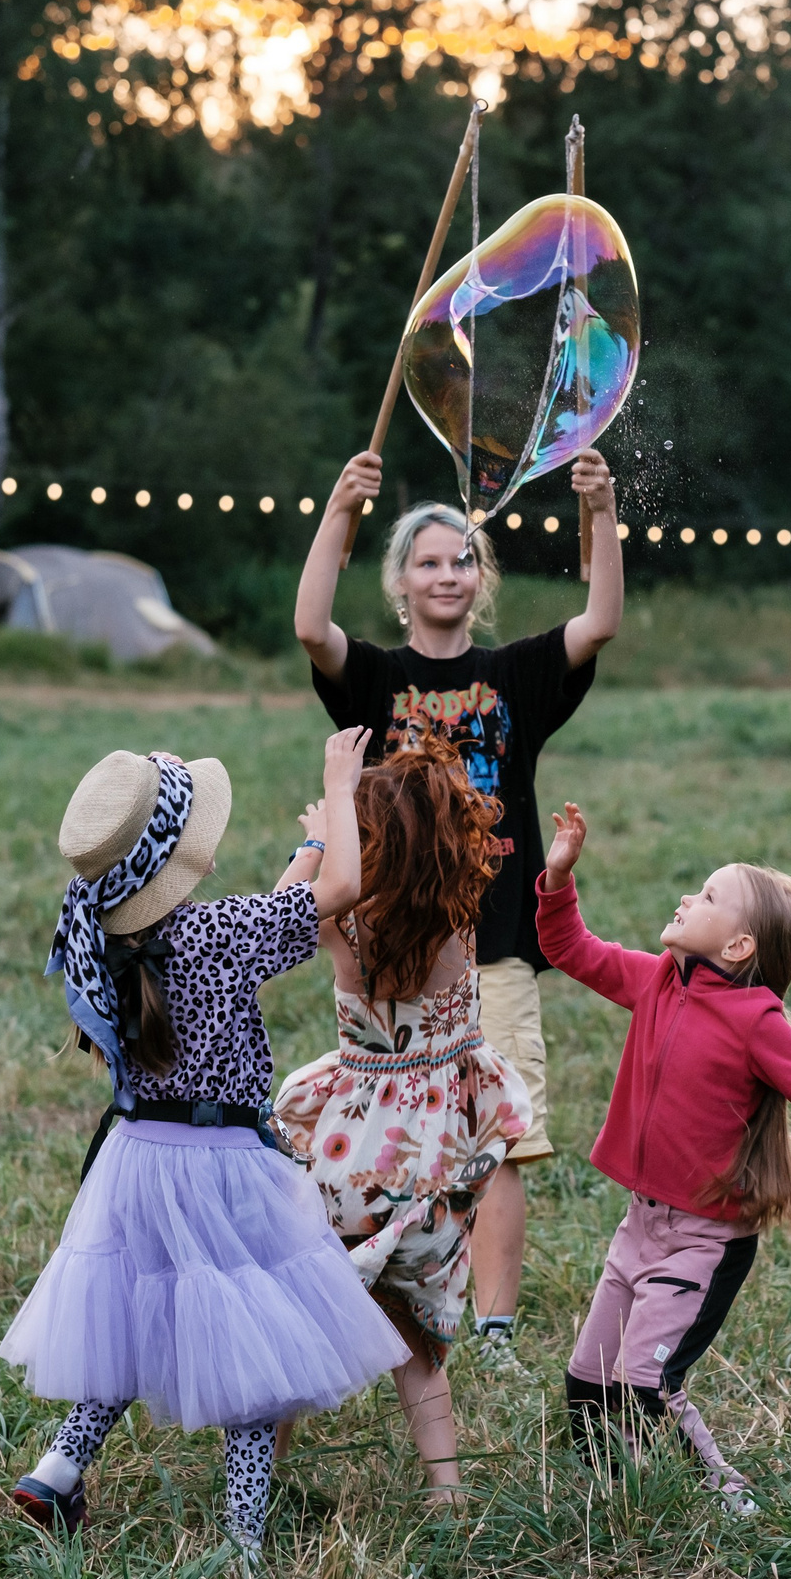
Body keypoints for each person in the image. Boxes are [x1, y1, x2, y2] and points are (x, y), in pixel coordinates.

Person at [0, 733, 409, 1551]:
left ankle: (57, 1469)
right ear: (182, 861)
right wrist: (337, 786)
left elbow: (286, 907)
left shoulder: (113, 943)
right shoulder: (218, 933)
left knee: (131, 1316)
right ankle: (245, 1544)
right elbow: (341, 891)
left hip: (139, 1159)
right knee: (250, 1359)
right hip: (222, 1167)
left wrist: (314, 843)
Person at [296, 449, 620, 1355]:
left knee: (503, 1135)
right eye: (429, 560)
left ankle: (497, 1325)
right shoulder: (374, 679)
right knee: (397, 1137)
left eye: (462, 559)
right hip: (391, 952)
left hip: (498, 948)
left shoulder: (515, 675)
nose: (447, 572)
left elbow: (601, 617)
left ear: (482, 581)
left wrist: (600, 511)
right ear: (400, 581)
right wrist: (338, 510)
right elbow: (309, 623)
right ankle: (388, 1304)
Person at [534, 801, 791, 1514]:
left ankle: (724, 1496)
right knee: (589, 1385)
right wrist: (558, 878)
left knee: (644, 1386)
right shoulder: (657, 980)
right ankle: (615, 1505)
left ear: (739, 945)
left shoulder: (757, 1021)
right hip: (640, 1227)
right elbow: (572, 950)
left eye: (709, 895)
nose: (689, 897)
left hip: (704, 1243)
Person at [273, 735, 532, 1501]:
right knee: (417, 1341)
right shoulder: (458, 925)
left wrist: (317, 843)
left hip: (347, 1156)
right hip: (430, 1163)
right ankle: (446, 1492)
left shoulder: (346, 927)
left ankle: (268, 1470)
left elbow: (275, 910)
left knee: (309, 1315)